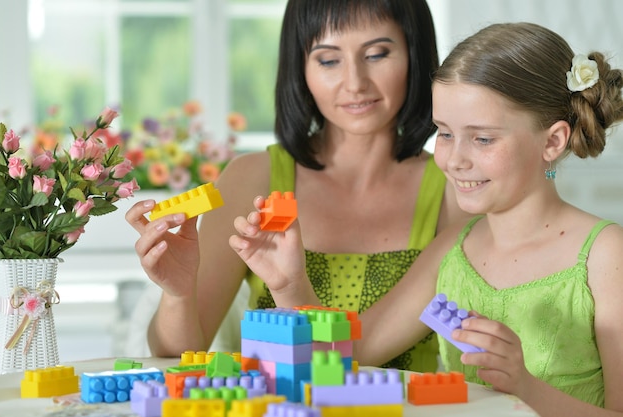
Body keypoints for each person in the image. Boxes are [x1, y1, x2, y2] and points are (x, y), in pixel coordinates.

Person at [230, 22, 623, 415]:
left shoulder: (605, 256)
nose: (453, 159)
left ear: (552, 141)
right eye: (445, 133)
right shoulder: (455, 247)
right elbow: (353, 351)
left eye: (483, 138)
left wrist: (526, 386)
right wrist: (289, 285)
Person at [125, 0, 470, 372]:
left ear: (414, 55)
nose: (355, 83)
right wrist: (178, 295)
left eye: (377, 54)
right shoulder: (250, 179)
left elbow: (355, 353)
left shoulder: (459, 191)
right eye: (328, 60)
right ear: (300, 66)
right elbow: (176, 361)